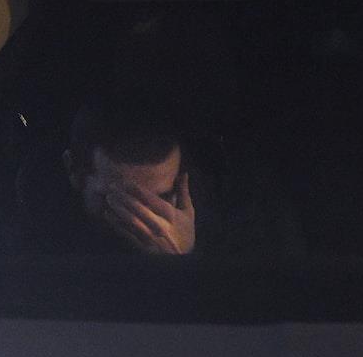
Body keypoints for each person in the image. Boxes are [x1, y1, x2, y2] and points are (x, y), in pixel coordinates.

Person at [16, 98, 221, 255]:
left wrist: (183, 260)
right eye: (116, 201)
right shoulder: (23, 242)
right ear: (73, 171)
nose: (138, 221)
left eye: (160, 200)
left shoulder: (217, 230)